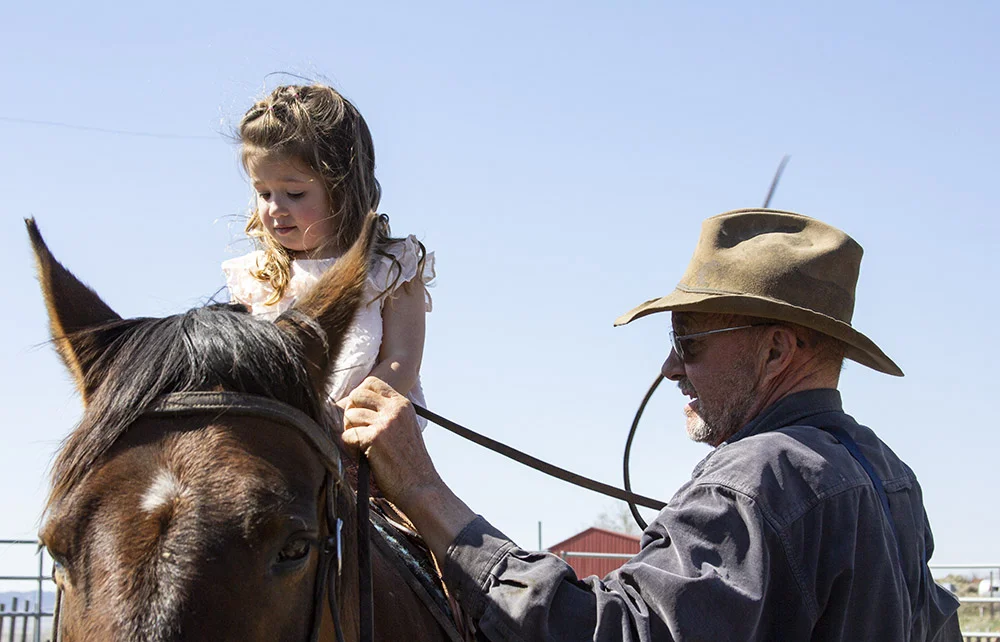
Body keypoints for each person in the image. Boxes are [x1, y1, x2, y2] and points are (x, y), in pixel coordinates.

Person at [341, 208, 962, 640]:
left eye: (687, 340)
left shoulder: (757, 474)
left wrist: (424, 492)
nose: (670, 367)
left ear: (776, 351)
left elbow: (608, 635)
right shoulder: (888, 475)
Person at [222, 84, 434, 419]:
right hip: (280, 435)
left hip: (365, 432)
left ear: (342, 188)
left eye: (294, 193)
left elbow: (402, 361)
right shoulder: (255, 278)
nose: (275, 208)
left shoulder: (390, 268)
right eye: (264, 193)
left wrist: (341, 414)